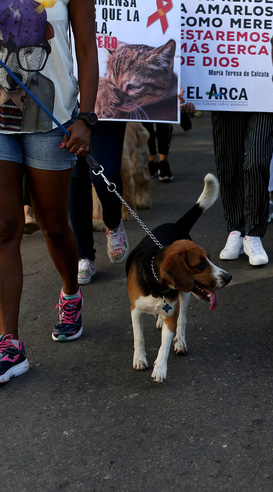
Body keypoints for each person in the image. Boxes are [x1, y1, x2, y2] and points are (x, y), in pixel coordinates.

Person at [0, 0, 98, 383]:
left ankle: (71, 294)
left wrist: (86, 118)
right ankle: (9, 342)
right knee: (5, 229)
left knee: (53, 224)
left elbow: (88, 50)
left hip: (52, 116)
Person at [214, 111, 273, 266]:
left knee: (256, 162)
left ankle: (253, 234)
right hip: (225, 96)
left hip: (264, 96)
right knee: (228, 163)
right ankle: (236, 229)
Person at [69, 121, 128, 285]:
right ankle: (84, 255)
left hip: (106, 107)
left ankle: (113, 224)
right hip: (67, 104)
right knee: (75, 177)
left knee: (105, 174)